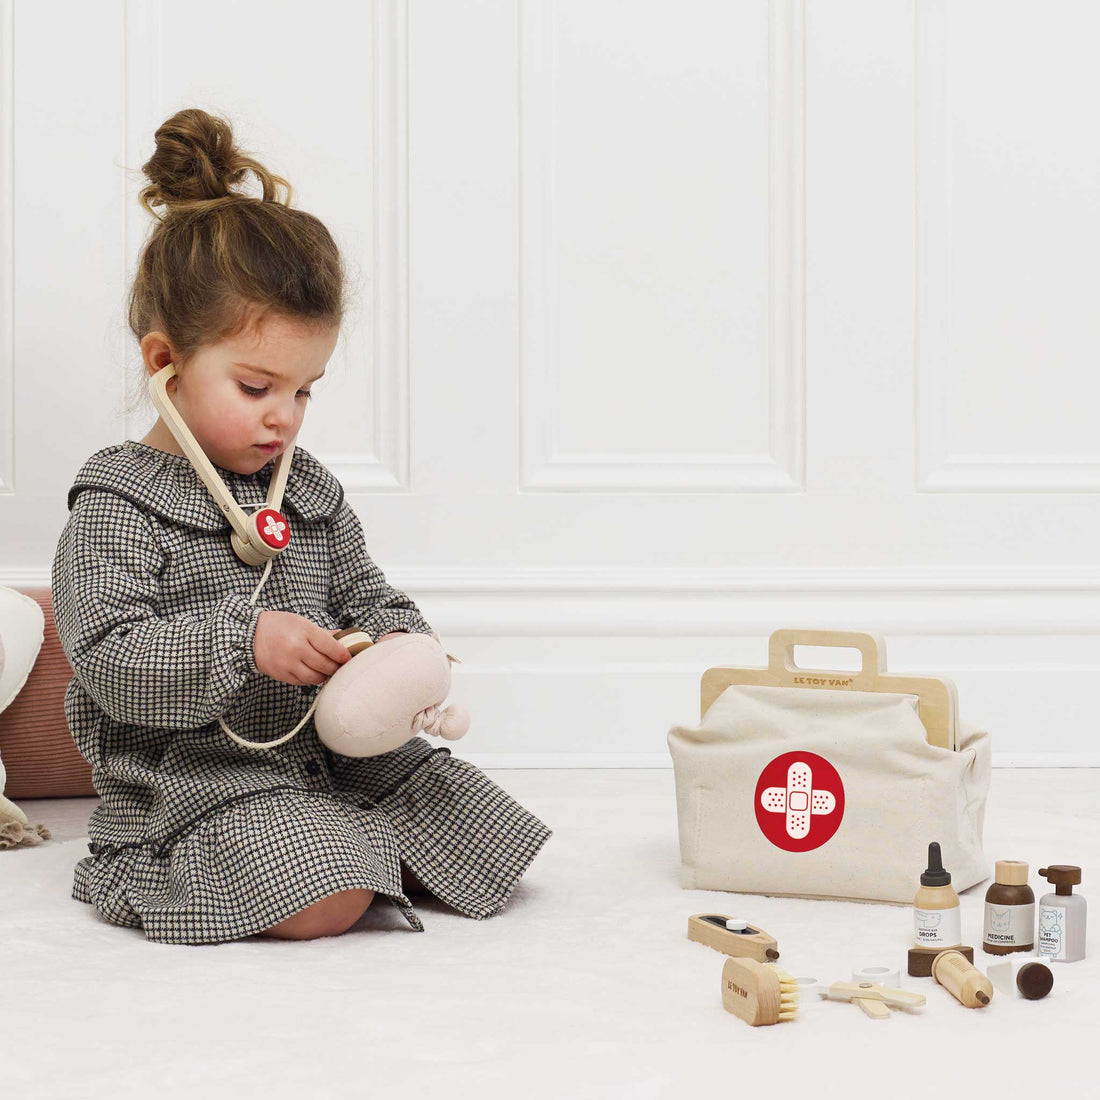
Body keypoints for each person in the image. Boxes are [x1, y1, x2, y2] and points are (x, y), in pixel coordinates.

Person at [50, 108, 552, 945]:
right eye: (256, 388)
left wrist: (394, 644)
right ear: (163, 363)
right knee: (325, 900)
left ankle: (339, 839)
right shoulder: (118, 506)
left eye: (305, 389)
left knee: (484, 836)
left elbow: (364, 588)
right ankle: (188, 863)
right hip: (199, 774)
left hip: (320, 749)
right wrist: (245, 642)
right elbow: (110, 661)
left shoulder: (305, 489)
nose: (284, 418)